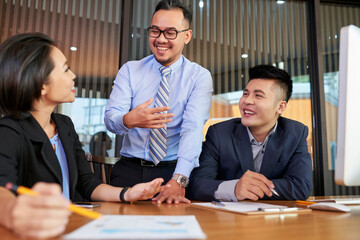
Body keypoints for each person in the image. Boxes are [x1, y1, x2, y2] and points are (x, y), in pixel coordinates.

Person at [0, 33, 164, 238]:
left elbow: (86, 183)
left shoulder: (64, 125)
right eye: (66, 69)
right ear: (42, 84)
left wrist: (128, 193)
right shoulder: (8, 131)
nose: (73, 76)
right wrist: (12, 211)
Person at [104, 0, 213, 204]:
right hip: (129, 170)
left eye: (170, 32)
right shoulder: (130, 70)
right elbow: (111, 120)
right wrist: (129, 120)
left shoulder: (199, 77)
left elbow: (192, 129)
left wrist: (179, 180)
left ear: (187, 36)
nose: (161, 39)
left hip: (172, 172)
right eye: (155, 31)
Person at [187, 65, 313, 202]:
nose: (247, 101)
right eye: (245, 94)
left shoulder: (296, 133)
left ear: (280, 106)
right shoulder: (219, 134)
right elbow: (197, 185)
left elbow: (300, 187)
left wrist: (251, 189)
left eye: (258, 95)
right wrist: (234, 189)